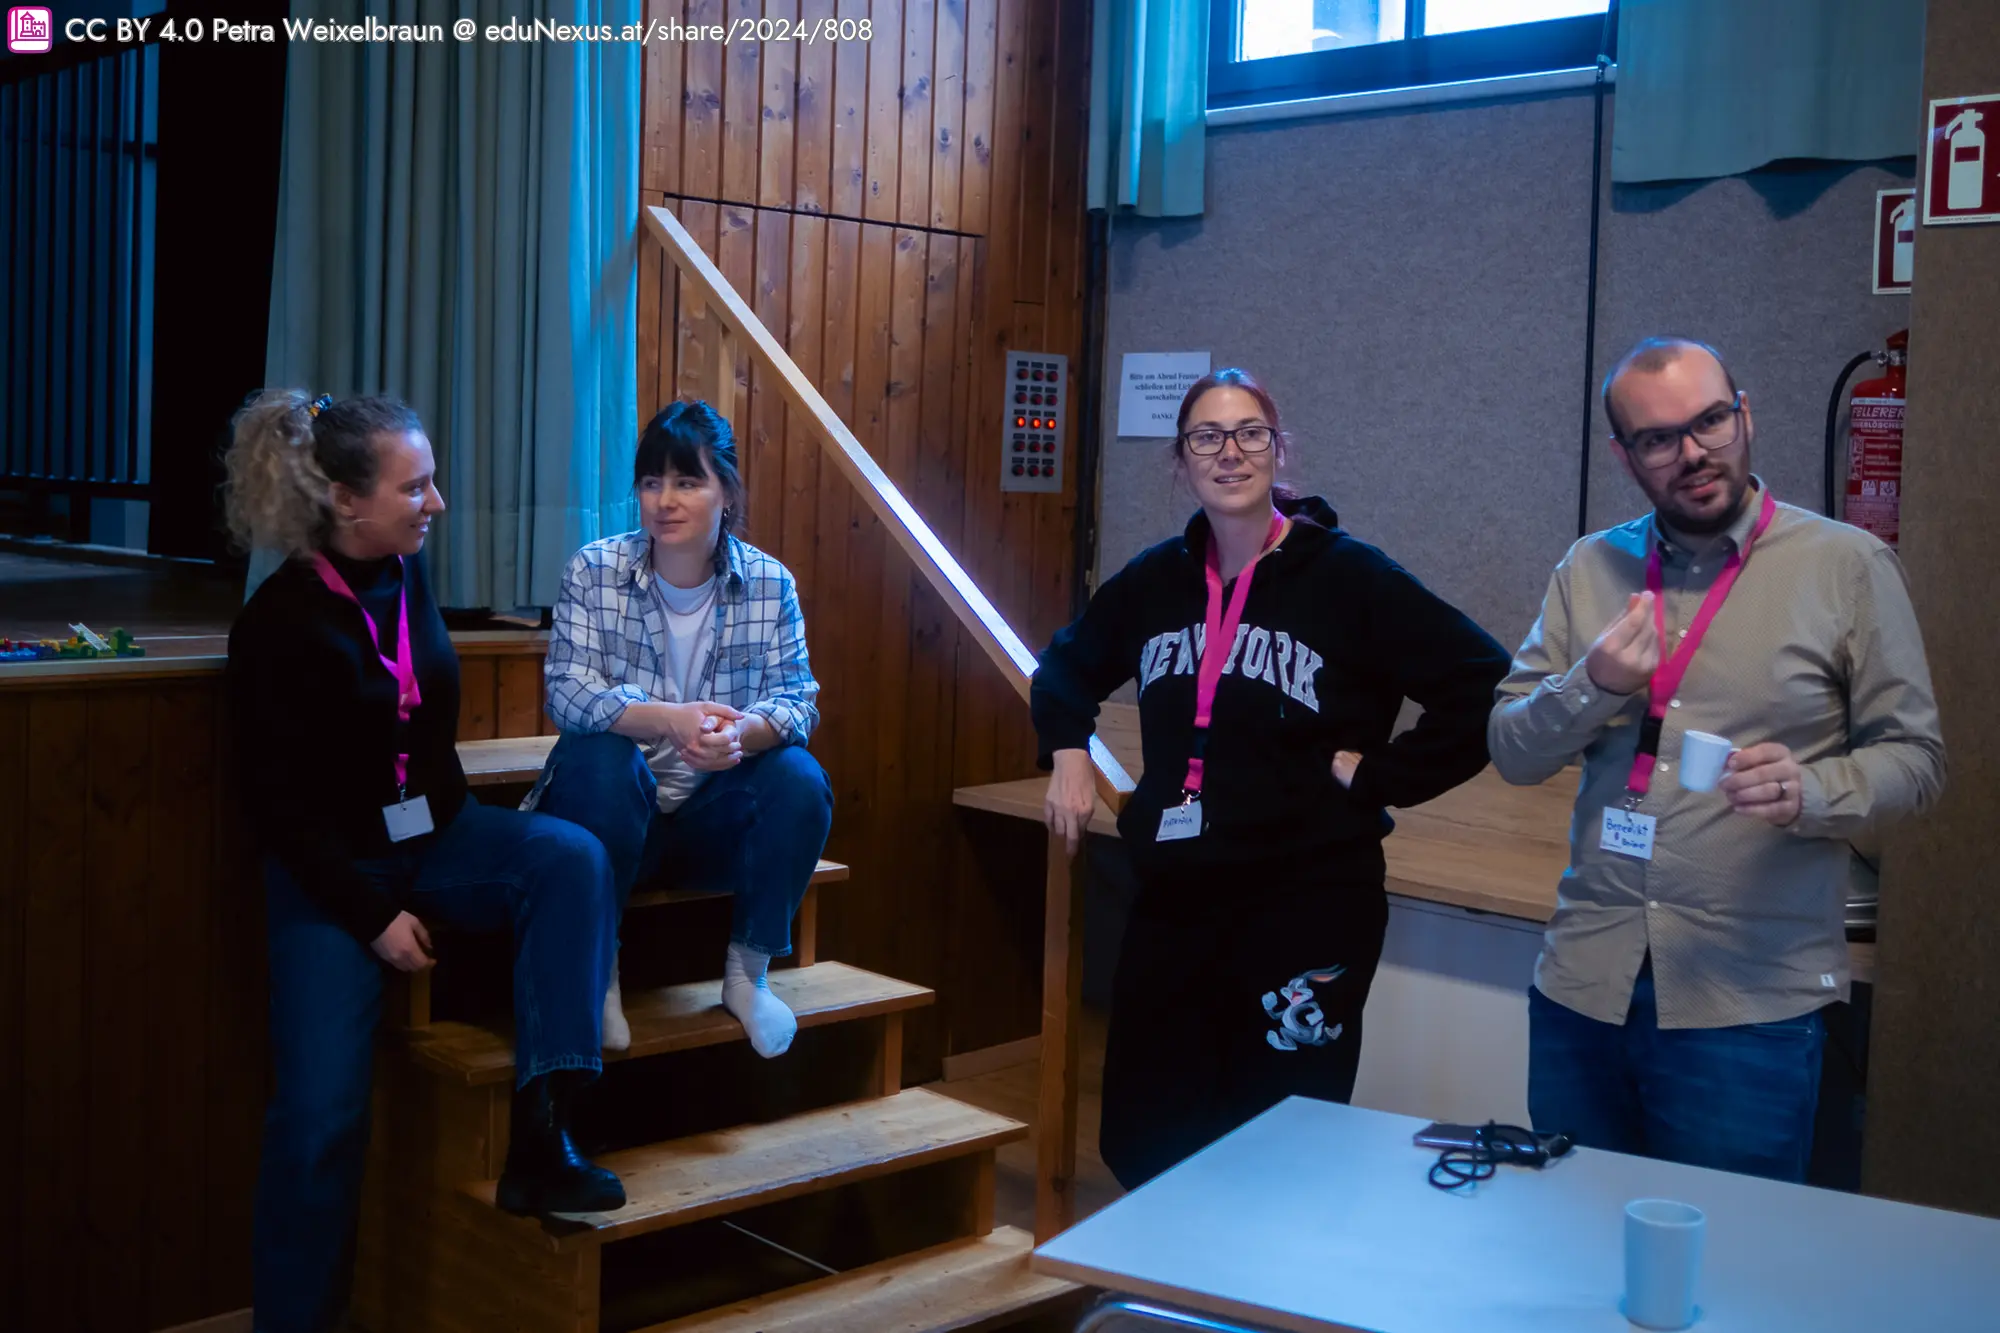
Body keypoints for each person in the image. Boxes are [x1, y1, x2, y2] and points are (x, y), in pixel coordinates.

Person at [1033, 368, 1511, 1189]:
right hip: (1179, 900)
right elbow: (1064, 670)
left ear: (1278, 448)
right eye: (1206, 437)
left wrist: (1383, 777)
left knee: (1281, 1143)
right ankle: (1175, 1306)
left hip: (1308, 904)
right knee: (1148, 1135)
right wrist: (1068, 750)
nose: (1230, 452)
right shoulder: (1156, 580)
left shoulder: (1351, 576)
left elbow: (1484, 682)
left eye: (1250, 432)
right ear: (1180, 462)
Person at [1489, 337, 1945, 1183]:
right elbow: (1511, 749)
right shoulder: (1591, 567)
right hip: (1584, 987)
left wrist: (1812, 788)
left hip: (1747, 1003)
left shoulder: (1845, 567)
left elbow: (1916, 760)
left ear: (1745, 415)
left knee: (1730, 1275)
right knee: (1569, 1256)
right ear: (1627, 457)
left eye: (1710, 421)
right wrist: (1593, 683)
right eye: (1659, 438)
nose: (1693, 451)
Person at [224, 391, 625, 1333]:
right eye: (418, 485)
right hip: (332, 874)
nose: (437, 501)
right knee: (320, 1118)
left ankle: (542, 1138)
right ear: (344, 501)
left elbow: (420, 740)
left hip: (435, 837)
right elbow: (277, 809)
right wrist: (370, 916)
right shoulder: (278, 622)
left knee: (570, 857)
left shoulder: (408, 573)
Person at [525, 399, 832, 1060]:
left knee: (800, 778)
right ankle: (599, 974)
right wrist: (669, 718)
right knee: (600, 759)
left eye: (687, 481)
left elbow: (798, 700)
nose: (665, 499)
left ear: (726, 490)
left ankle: (746, 977)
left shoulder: (770, 584)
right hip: (609, 812)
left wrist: (740, 734)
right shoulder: (595, 569)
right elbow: (567, 694)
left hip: (706, 819)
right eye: (651, 481)